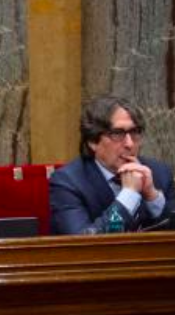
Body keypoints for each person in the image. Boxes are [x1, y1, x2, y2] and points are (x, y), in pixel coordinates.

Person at [50, 95, 174, 234]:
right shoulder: (68, 182)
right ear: (93, 141)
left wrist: (152, 197)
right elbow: (83, 244)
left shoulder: (160, 173)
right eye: (117, 134)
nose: (130, 144)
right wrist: (129, 194)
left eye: (134, 132)